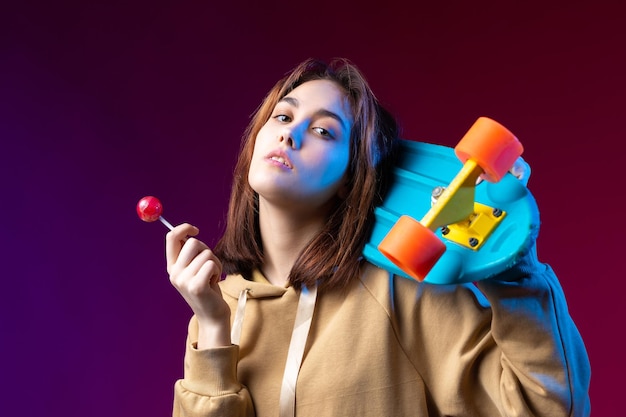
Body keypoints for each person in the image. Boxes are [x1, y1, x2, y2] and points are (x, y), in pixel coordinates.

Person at [165, 58, 591, 417]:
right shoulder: (215, 308)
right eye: (283, 115)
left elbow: (546, 407)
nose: (288, 134)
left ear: (352, 179)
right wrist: (213, 328)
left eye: (324, 131)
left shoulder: (403, 293)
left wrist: (511, 269)